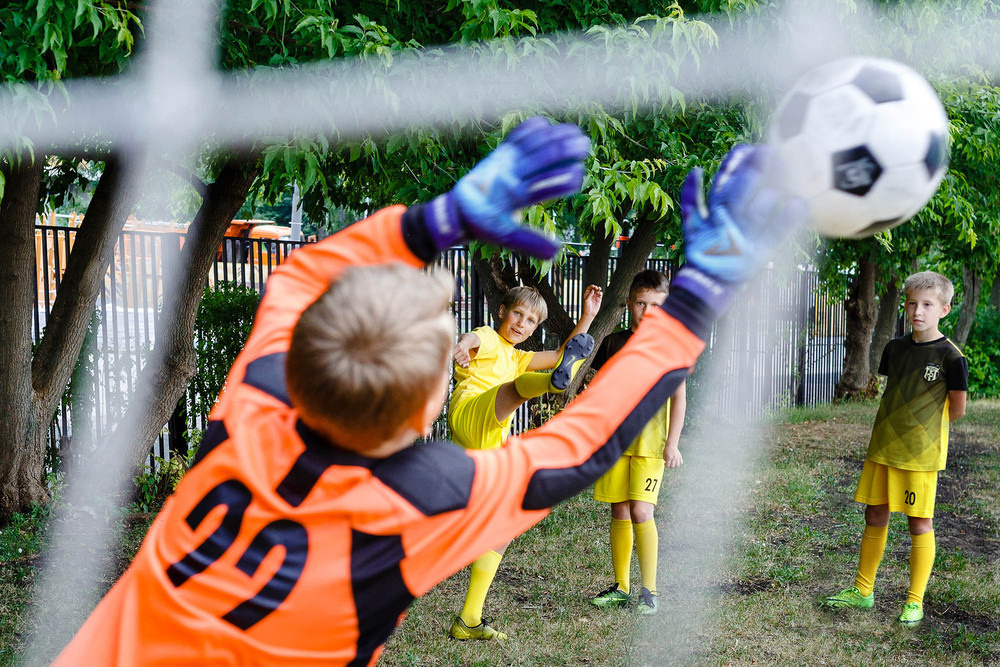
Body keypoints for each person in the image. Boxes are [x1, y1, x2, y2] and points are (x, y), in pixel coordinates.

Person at [51, 117, 800, 665]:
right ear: (425, 406)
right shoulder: (423, 499)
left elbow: (296, 279)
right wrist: (695, 299)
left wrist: (434, 222)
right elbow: (580, 442)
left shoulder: (257, 404)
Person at [447, 282, 603, 640]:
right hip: (470, 412)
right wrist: (460, 347)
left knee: (503, 526)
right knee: (515, 390)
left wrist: (588, 316)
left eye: (531, 321)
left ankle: (469, 620)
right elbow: (472, 340)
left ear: (535, 329)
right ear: (503, 311)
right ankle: (554, 382)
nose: (522, 323)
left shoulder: (518, 358)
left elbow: (565, 349)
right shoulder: (488, 336)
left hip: (485, 449)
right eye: (517, 313)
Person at [821, 270, 968, 626]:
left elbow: (958, 409)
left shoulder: (951, 356)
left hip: (920, 454)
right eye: (912, 303)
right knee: (875, 515)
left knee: (919, 523)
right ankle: (862, 591)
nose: (918, 311)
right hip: (883, 446)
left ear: (944, 309)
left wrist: (924, 431)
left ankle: (914, 601)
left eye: (928, 305)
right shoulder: (895, 348)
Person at [588, 269, 686, 616]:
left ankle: (650, 590)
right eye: (641, 303)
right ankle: (621, 587)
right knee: (618, 508)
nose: (647, 311)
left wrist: (672, 443)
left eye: (655, 305)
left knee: (642, 510)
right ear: (629, 303)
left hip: (650, 447)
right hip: (615, 444)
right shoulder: (613, 343)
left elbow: (679, 398)